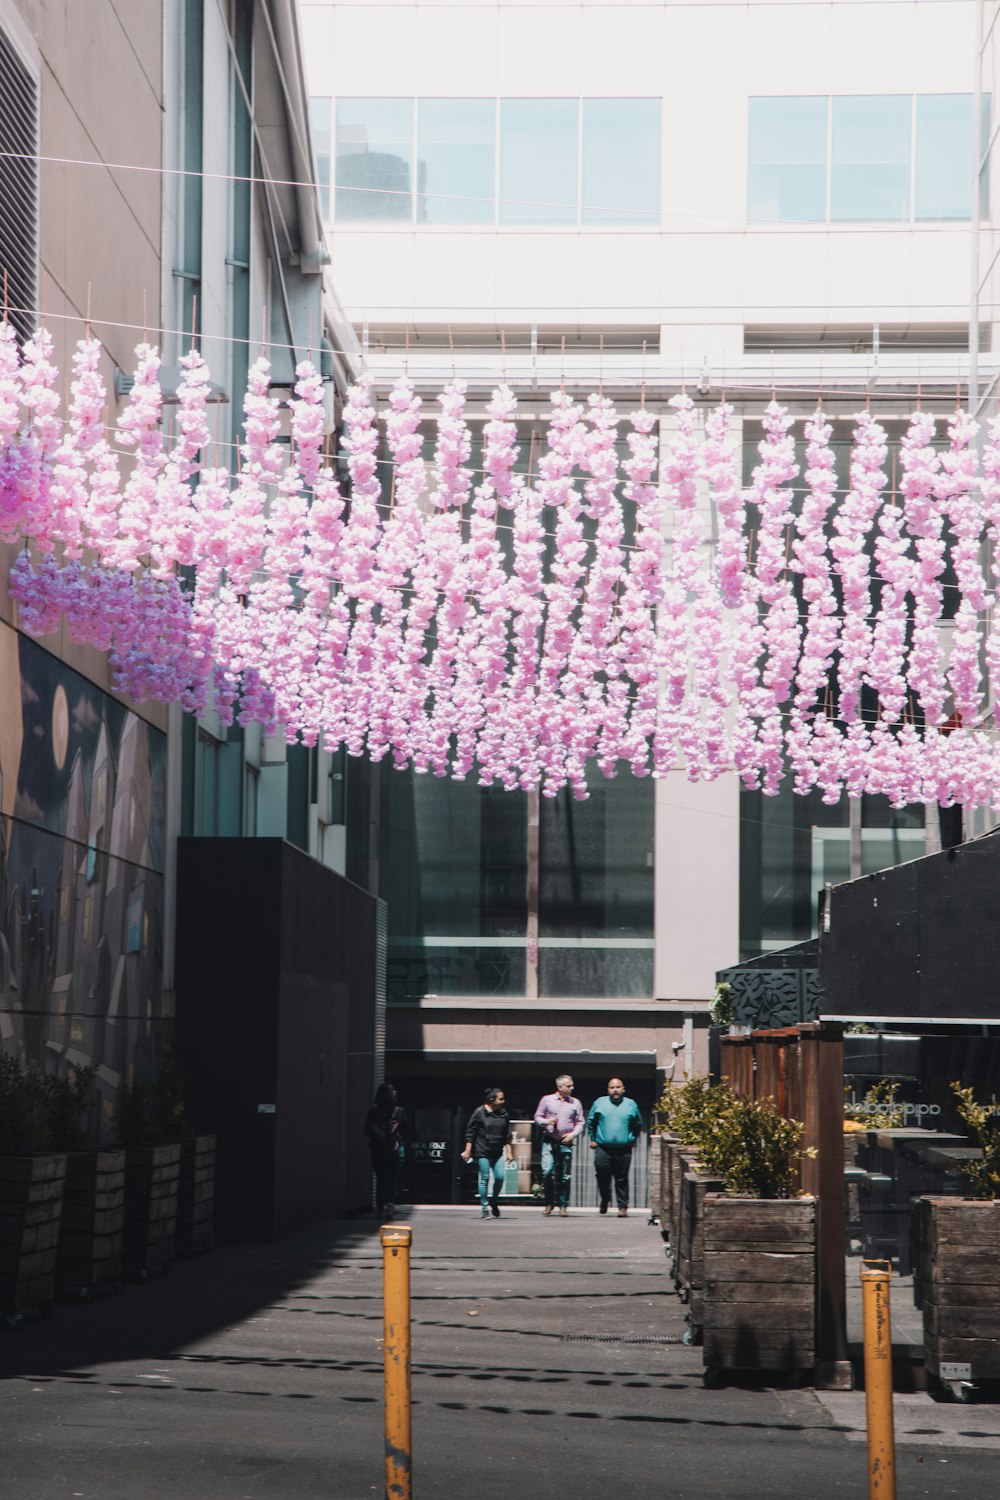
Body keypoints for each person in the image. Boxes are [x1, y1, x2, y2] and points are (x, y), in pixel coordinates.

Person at [587, 1077, 643, 1217]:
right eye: (612, 1088)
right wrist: (593, 1139)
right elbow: (591, 1122)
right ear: (608, 1090)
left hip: (623, 1148)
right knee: (602, 1176)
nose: (615, 1090)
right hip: (603, 1147)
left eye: (618, 1087)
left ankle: (622, 1207)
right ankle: (605, 1198)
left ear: (623, 1089)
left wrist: (633, 1138)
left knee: (621, 1178)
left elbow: (638, 1124)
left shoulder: (631, 1104)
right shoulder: (599, 1103)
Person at [533, 1074, 584, 1216]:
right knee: (547, 1171)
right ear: (560, 1087)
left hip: (565, 1141)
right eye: (569, 1086)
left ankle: (563, 1205)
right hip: (549, 1140)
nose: (572, 1088)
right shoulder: (547, 1100)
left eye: (572, 1085)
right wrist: (546, 1122)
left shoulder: (575, 1103)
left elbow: (581, 1121)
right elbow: (537, 1117)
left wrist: (573, 1134)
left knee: (565, 1175)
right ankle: (549, 1203)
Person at [461, 1087, 514, 1218]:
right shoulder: (480, 1112)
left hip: (497, 1151)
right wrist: (468, 1150)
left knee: (500, 1177)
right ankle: (484, 1208)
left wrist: (509, 1152)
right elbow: (470, 1132)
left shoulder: (503, 1114)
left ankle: (494, 1201)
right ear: (492, 1100)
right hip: (482, 1150)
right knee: (484, 1178)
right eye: (500, 1098)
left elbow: (507, 1134)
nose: (503, 1101)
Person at [364, 1082, 408, 1219]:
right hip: (394, 1149)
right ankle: (390, 1206)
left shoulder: (373, 1112)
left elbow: (366, 1132)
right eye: (393, 1091)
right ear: (390, 1095)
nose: (396, 1093)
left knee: (380, 1179)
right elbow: (406, 1131)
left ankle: (380, 1208)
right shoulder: (399, 1112)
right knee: (392, 1179)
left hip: (377, 1149)